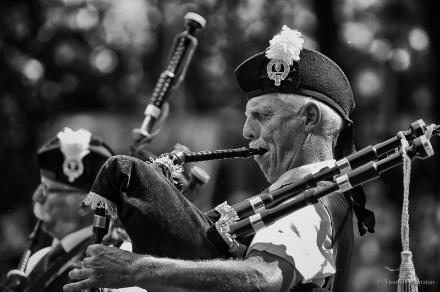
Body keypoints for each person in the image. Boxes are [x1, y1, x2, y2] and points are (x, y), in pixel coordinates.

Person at [64, 26, 374, 292]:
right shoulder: (308, 194)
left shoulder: (310, 200)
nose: (247, 130)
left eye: (262, 116)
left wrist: (135, 269)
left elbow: (263, 277)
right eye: (247, 116)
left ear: (309, 118)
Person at [23, 127, 114, 292]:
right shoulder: (38, 260)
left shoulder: (114, 268)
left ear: (85, 204)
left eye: (47, 190)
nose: (37, 197)